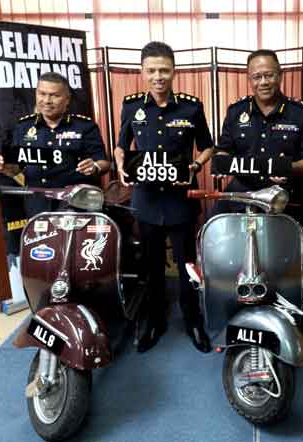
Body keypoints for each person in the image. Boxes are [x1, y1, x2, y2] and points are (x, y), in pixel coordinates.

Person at [114, 41, 214, 353]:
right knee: (151, 266)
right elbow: (121, 145)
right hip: (145, 201)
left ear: (174, 71)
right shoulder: (131, 106)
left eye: (164, 70)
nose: (158, 76)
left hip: (180, 199)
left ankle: (192, 319)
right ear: (142, 72)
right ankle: (153, 319)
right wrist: (119, 165)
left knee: (186, 264)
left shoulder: (191, 106)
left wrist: (196, 165)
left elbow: (208, 146)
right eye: (152, 70)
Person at [213, 49, 303, 229]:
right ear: (250, 80)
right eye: (256, 77)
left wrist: (288, 168)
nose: (263, 82)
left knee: (286, 254)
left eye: (269, 75)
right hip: (242, 194)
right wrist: (222, 162)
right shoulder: (236, 111)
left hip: (285, 198)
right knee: (215, 234)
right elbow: (224, 149)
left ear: (280, 76)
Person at [0, 72, 109, 216]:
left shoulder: (85, 126)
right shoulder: (23, 127)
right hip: (37, 205)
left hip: (77, 205)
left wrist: (95, 167)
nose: (47, 100)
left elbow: (104, 163)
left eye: (54, 95)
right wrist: (5, 168)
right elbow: (16, 169)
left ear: (67, 99)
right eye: (42, 94)